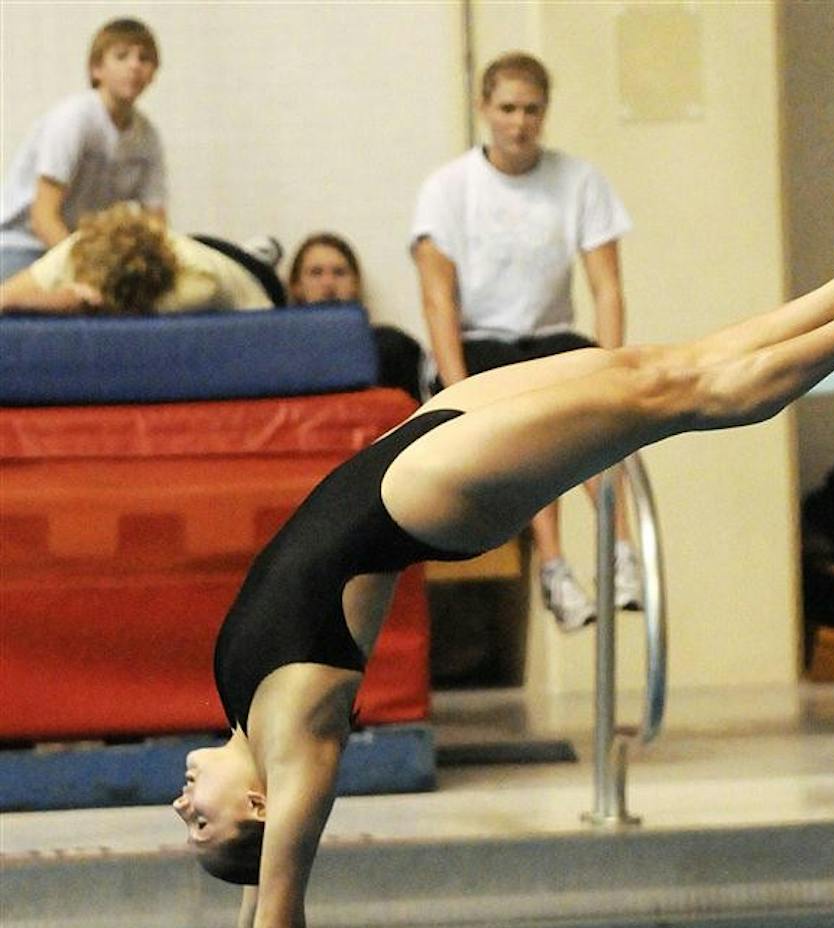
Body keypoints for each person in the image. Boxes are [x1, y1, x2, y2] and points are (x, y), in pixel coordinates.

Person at [171, 242, 834, 928]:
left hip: (411, 445)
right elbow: (280, 923)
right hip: (434, 493)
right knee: (681, 399)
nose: (182, 809)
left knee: (647, 366)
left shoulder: (241, 705)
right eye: (200, 826)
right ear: (260, 809)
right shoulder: (298, 748)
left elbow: (251, 912)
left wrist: (247, 902)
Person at [412, 51, 640, 631]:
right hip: (482, 341)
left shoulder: (578, 179)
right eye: (508, 108)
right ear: (484, 108)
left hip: (551, 335)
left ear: (546, 113)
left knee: (594, 420)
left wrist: (610, 366)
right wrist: (458, 387)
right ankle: (555, 564)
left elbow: (607, 288)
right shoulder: (448, 188)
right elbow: (438, 297)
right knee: (535, 435)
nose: (519, 122)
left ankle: (621, 551)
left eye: (531, 110)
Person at [0, 17, 166, 281]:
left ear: (154, 73)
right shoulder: (74, 120)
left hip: (79, 250)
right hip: (24, 244)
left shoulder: (148, 137)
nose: (134, 65)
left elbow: (155, 223)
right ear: (96, 69)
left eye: (144, 58)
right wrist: (87, 269)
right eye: (122, 56)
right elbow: (43, 217)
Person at [0, 204, 276, 314]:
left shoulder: (197, 283)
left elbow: (89, 303)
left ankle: (257, 257)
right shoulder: (75, 248)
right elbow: (6, 296)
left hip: (251, 288)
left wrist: (73, 297)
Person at [288, 233, 424, 401]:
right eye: (316, 273)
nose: (328, 283)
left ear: (355, 284)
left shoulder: (392, 348)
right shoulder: (281, 352)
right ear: (296, 286)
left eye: (339, 273)